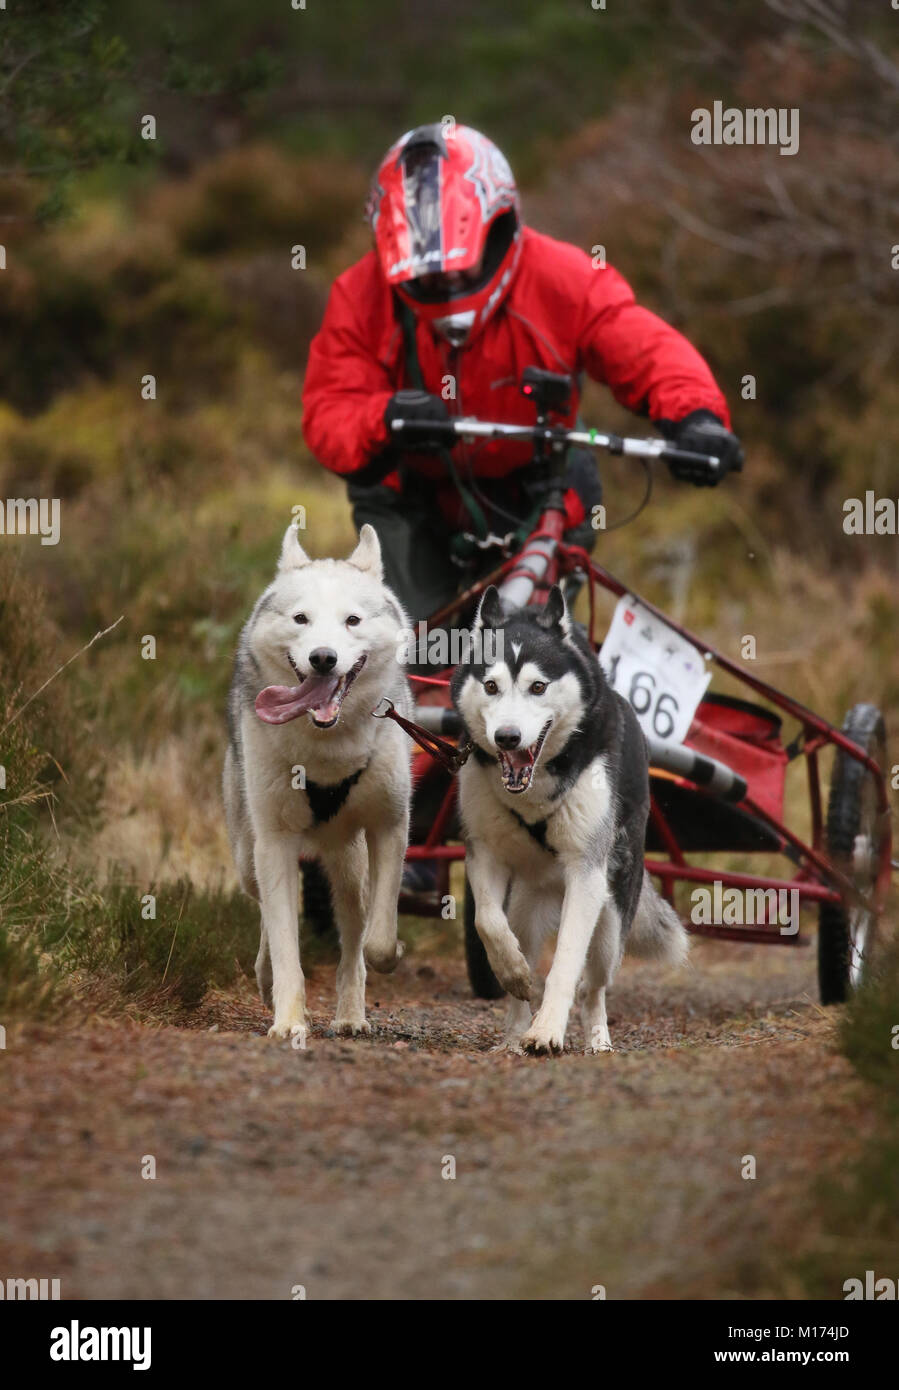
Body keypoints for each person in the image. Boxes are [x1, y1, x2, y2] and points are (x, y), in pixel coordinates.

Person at [302, 122, 743, 624]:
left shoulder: (562, 277)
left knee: (530, 656)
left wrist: (698, 420)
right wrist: (387, 417)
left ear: (499, 229)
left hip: (538, 489)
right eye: (429, 276)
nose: (448, 289)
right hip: (411, 497)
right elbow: (329, 408)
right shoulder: (360, 296)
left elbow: (642, 346)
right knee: (412, 649)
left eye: (462, 271)